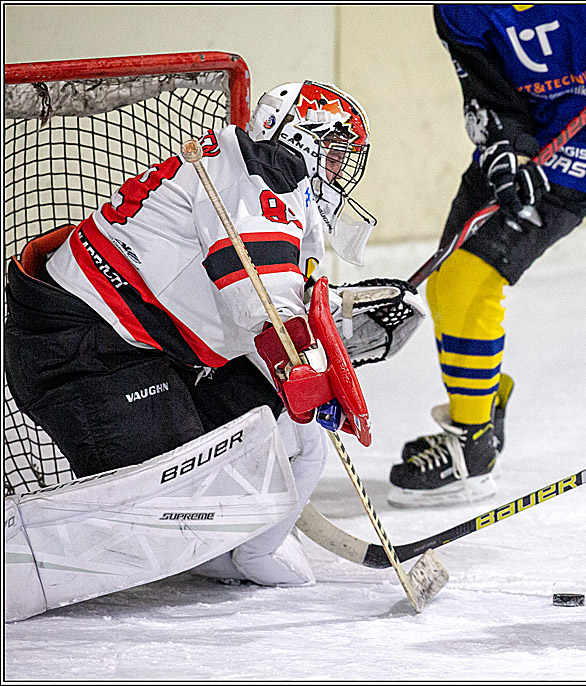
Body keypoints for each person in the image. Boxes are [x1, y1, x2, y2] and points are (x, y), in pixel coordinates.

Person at [4, 80, 425, 594]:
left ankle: (241, 544)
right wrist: (300, 358)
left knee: (278, 426)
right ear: (300, 135)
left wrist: (327, 318)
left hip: (132, 350)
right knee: (176, 506)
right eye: (335, 153)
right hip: (82, 351)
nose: (340, 171)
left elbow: (259, 292)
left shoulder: (254, 174)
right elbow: (258, 293)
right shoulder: (263, 172)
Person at [389, 4, 586, 507]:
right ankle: (482, 408)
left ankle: (472, 450)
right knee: (447, 285)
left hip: (577, 157)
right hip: (511, 159)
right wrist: (505, 149)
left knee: (467, 284)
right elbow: (489, 96)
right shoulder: (458, 10)